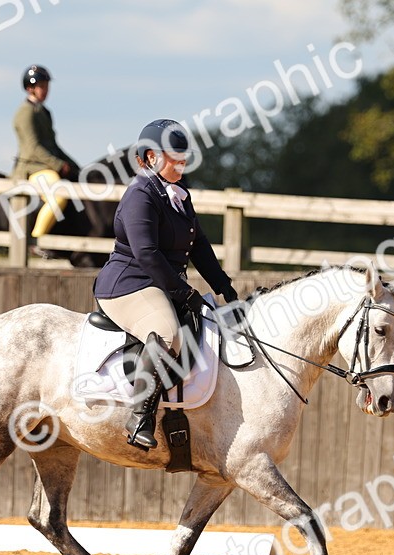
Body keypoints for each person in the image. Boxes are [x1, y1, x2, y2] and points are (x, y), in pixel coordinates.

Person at [93, 119, 240, 450]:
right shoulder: (140, 196)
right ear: (150, 157)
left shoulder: (179, 195)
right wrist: (184, 293)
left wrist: (223, 285)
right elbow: (146, 253)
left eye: (183, 157)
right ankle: (140, 416)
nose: (181, 163)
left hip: (161, 283)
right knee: (167, 332)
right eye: (174, 158)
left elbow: (199, 245)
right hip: (130, 284)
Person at [12, 65, 79, 252]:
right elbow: (33, 148)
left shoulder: (44, 112)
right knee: (59, 195)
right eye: (42, 86)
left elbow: (53, 145)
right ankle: (37, 241)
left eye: (47, 86)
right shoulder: (25, 112)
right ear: (30, 88)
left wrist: (73, 165)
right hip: (32, 167)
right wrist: (58, 165)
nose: (46, 90)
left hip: (46, 166)